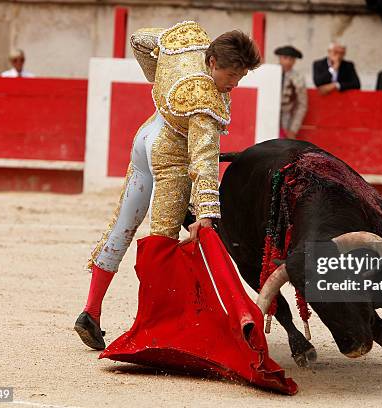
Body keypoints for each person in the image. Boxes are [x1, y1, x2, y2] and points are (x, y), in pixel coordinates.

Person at [74, 21, 261, 350]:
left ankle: (91, 311)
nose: (233, 84)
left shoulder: (188, 43)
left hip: (147, 134)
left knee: (123, 224)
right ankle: (151, 327)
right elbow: (203, 158)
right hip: (170, 153)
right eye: (231, 75)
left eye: (240, 77)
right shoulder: (206, 100)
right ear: (214, 62)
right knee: (161, 239)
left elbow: (141, 40)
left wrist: (160, 81)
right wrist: (206, 212)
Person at [275, 45, 307, 139]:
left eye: (291, 59)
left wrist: (293, 129)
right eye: (285, 58)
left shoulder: (298, 78)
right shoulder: (270, 73)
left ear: (294, 61)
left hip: (286, 119)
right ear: (280, 58)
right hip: (266, 115)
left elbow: (302, 105)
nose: (288, 61)